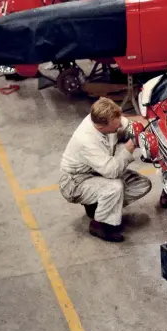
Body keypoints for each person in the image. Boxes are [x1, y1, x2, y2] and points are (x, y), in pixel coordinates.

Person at [59, 97, 152, 242]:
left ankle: (97, 207)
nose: (119, 126)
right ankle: (100, 225)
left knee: (142, 184)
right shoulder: (86, 140)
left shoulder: (103, 117)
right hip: (76, 181)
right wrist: (131, 146)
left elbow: (127, 125)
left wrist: (145, 127)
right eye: (115, 127)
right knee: (115, 187)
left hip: (96, 171)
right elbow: (111, 171)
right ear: (101, 127)